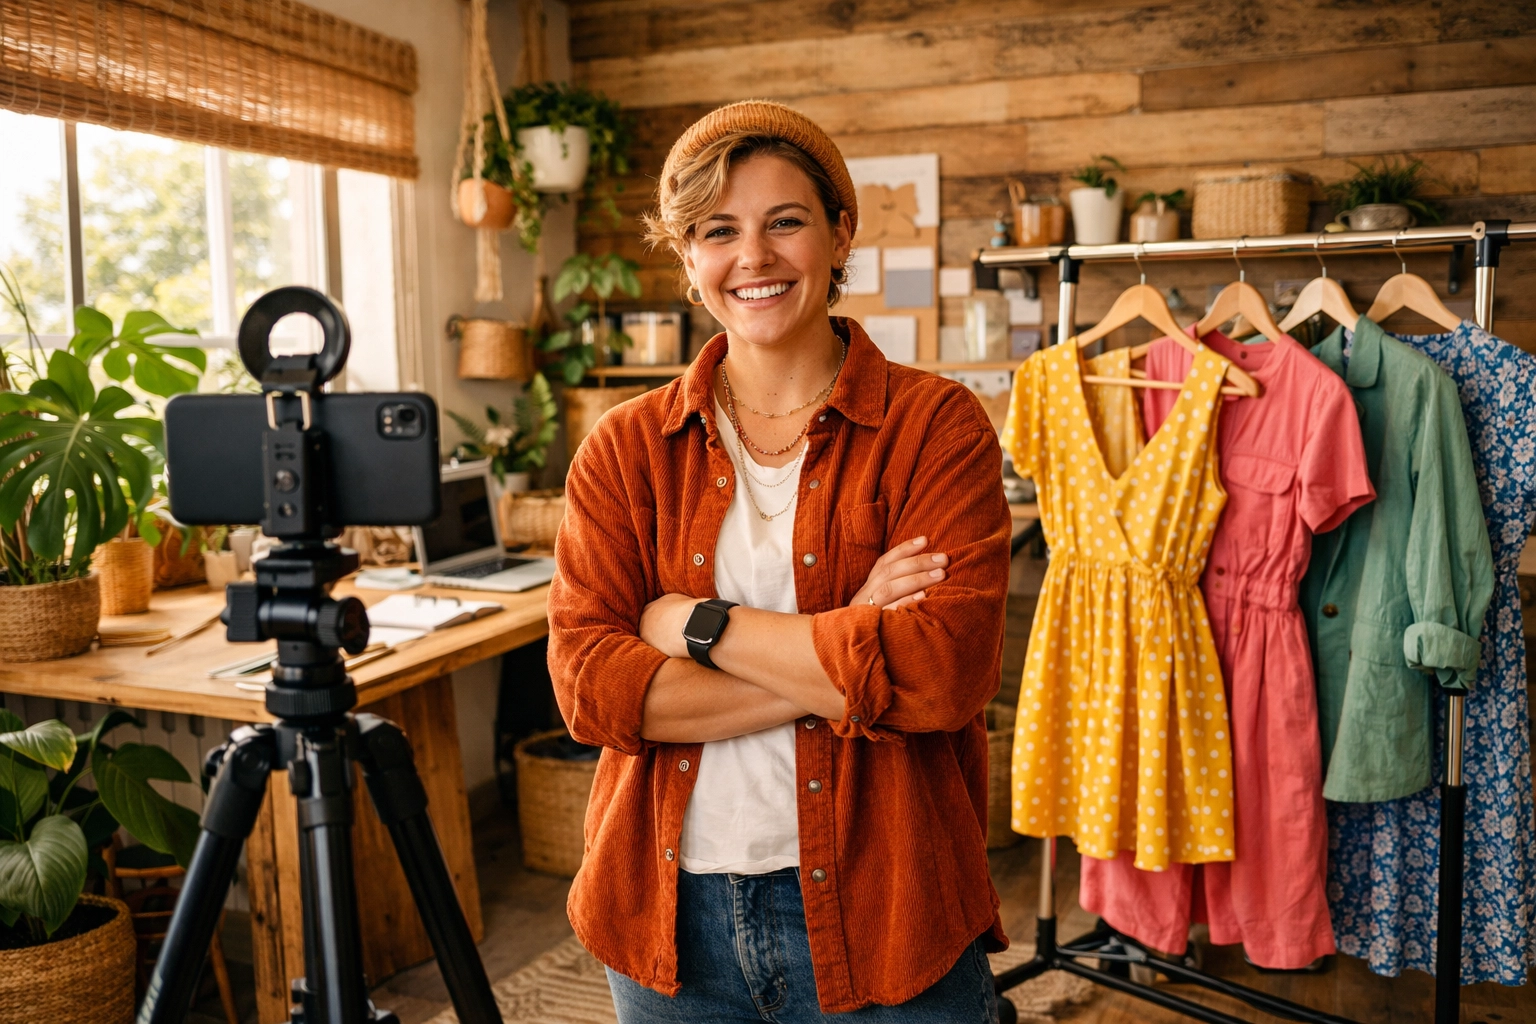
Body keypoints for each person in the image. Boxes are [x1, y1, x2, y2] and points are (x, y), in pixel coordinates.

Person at [547, 100, 1012, 1022]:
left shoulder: (935, 427)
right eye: (718, 231)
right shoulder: (624, 448)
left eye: (784, 222)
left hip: (891, 905)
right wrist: (846, 648)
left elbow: (941, 675)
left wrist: (691, 625)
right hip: (668, 918)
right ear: (688, 257)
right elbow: (592, 691)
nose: (752, 258)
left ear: (841, 235)